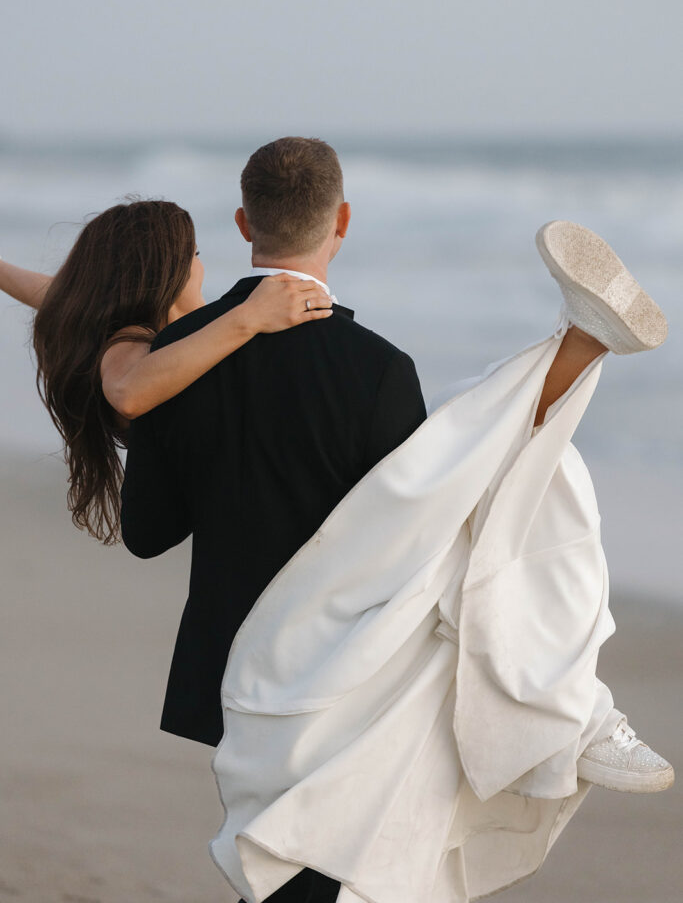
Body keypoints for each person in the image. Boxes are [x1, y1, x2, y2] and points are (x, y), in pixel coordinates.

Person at [120, 138, 672, 903]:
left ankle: (569, 354)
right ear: (341, 219)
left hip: (230, 647)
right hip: (351, 653)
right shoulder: (374, 367)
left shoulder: (176, 353)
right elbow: (420, 515)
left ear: (244, 222)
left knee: (278, 848)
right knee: (481, 477)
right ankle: (564, 364)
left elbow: (146, 533)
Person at [0, 198, 334, 544]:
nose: (201, 267)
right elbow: (127, 393)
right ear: (167, 271)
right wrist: (249, 316)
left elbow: (63, 295)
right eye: (196, 254)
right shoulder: (132, 341)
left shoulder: (191, 331)